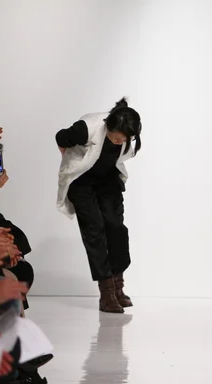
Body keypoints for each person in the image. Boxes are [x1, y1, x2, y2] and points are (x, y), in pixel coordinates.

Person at [56, 98, 142, 313]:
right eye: (118, 135)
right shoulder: (88, 127)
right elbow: (61, 137)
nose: (121, 139)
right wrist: (69, 159)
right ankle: (106, 294)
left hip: (107, 180)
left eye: (126, 137)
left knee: (116, 228)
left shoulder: (128, 135)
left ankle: (117, 287)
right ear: (108, 125)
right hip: (82, 181)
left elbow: (123, 152)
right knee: (94, 229)